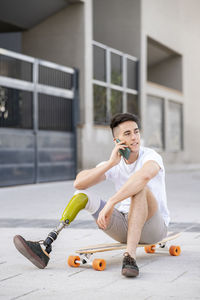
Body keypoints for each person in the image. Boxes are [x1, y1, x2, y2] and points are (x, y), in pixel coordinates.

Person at [14, 113, 170, 278]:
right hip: (125, 225)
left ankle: (130, 257)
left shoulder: (151, 156)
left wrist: (111, 202)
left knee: (140, 188)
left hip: (153, 227)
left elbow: (143, 177)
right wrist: (110, 163)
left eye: (136, 132)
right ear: (116, 141)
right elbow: (79, 182)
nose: (134, 137)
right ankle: (46, 245)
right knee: (81, 194)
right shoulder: (115, 162)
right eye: (127, 134)